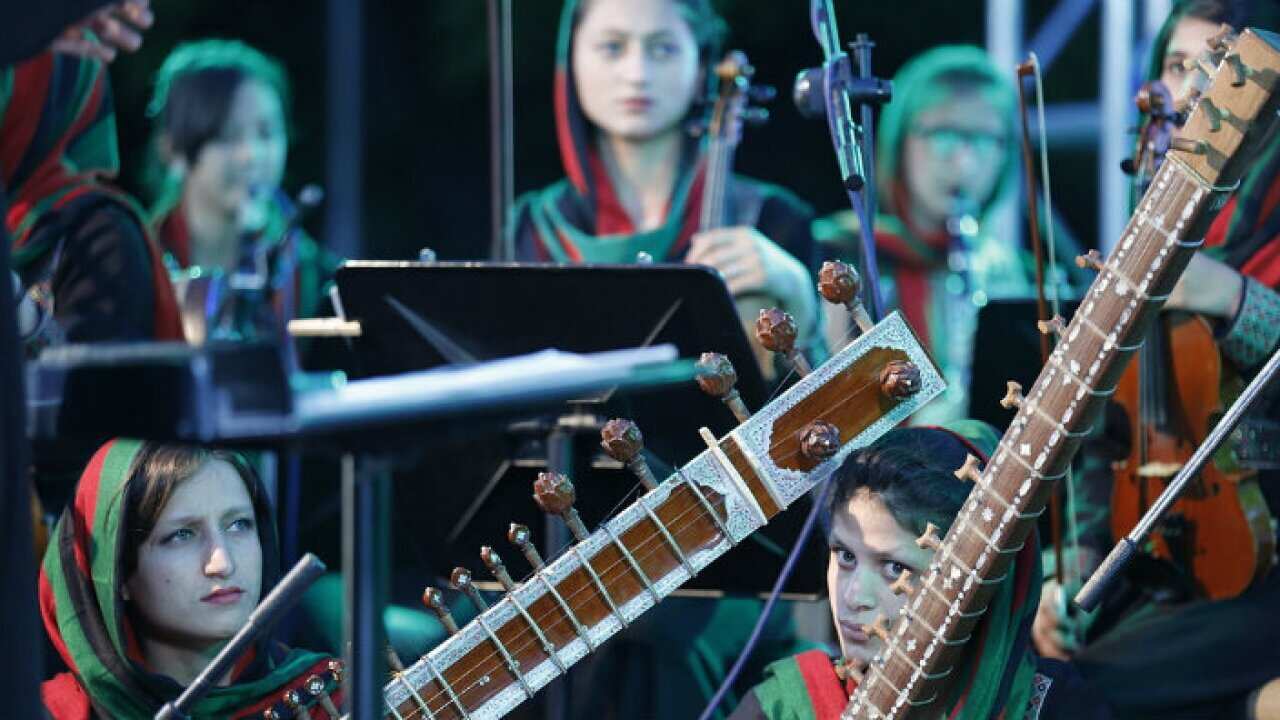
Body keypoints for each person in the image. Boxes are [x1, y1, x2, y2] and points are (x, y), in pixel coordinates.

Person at [1032, 2, 1280, 718]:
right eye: (1179, 66)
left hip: (1266, 569)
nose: (1200, 88)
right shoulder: (1143, 233)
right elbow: (1100, 446)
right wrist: (1070, 576)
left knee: (1094, 692)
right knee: (1037, 667)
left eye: (1222, 67)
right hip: (1158, 564)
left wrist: (1231, 297)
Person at [508, 0, 822, 377]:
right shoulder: (531, 229)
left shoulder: (773, 219)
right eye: (612, 47)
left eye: (663, 49)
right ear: (571, 61)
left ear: (701, 67)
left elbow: (819, 425)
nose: (637, 73)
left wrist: (800, 299)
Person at [729, 421, 1111, 720]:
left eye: (895, 567)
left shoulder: (1057, 706)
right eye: (845, 556)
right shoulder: (788, 706)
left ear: (976, 580)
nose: (853, 597)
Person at [814, 46, 1086, 424]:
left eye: (985, 139)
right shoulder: (837, 256)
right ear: (901, 138)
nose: (964, 161)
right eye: (943, 133)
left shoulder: (1025, 275)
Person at [39, 439, 345, 719]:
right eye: (181, 535)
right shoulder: (46, 712)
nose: (222, 563)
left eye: (239, 525)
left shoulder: (334, 696)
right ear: (117, 574)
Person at [145, 39, 339, 343]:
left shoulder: (321, 282)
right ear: (173, 151)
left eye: (267, 133)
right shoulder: (139, 268)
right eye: (227, 136)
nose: (252, 155)